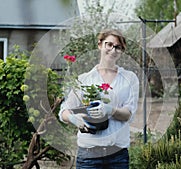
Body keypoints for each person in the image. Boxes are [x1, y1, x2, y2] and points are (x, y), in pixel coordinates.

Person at [59, 28, 139, 169]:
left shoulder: (129, 78)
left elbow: (129, 114)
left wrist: (110, 110)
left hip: (118, 155)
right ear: (100, 45)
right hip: (89, 156)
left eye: (118, 47)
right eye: (109, 44)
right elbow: (64, 111)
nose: (113, 50)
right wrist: (74, 119)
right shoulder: (84, 79)